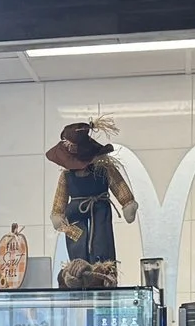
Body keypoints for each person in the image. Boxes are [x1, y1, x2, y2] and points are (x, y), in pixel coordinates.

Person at [46, 121, 138, 288]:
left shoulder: (104, 169)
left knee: (102, 241)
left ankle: (102, 273)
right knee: (76, 242)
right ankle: (77, 272)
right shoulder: (66, 176)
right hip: (74, 216)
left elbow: (119, 186)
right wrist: (58, 214)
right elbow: (60, 199)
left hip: (99, 211)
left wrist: (127, 202)